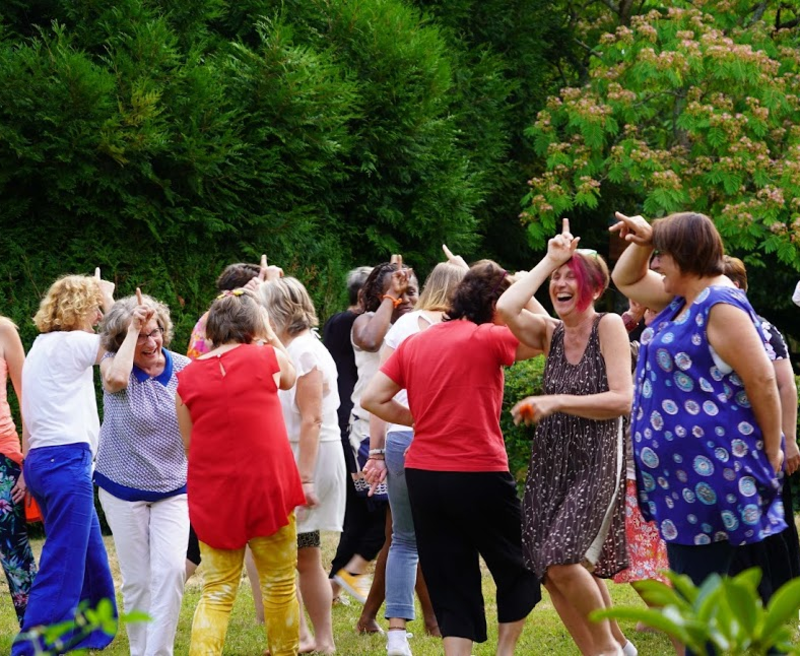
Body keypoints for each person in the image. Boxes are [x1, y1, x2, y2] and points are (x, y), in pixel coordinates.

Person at [609, 212, 785, 640]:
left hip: (712, 477)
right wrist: (649, 238)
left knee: (697, 598)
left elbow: (763, 380)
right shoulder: (681, 300)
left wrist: (773, 448)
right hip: (683, 481)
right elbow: (624, 278)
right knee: (699, 594)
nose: (655, 265)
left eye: (663, 255)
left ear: (685, 255)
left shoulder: (719, 307)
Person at [362, 260, 542, 656]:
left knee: (450, 576)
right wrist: (523, 288)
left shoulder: (415, 342)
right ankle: (504, 653)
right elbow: (549, 333)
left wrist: (419, 417)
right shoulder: (490, 337)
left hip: (424, 474)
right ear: (496, 303)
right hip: (478, 473)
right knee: (518, 566)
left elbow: (372, 398)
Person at [496, 220, 632, 656]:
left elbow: (622, 399)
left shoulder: (608, 324)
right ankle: (598, 652)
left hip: (595, 462)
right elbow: (506, 306)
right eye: (557, 278)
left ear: (592, 284)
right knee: (547, 569)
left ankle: (611, 648)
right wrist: (551, 259)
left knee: (562, 557)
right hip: (550, 465)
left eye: (570, 275)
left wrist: (556, 401)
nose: (560, 283)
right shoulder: (550, 333)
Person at [176, 290, 304, 656]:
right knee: (279, 584)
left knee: (216, 591)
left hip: (214, 493)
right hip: (269, 488)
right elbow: (291, 376)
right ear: (253, 325)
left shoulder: (187, 378)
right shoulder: (266, 357)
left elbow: (189, 443)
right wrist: (270, 333)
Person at [363, 257, 467, 656]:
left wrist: (375, 451)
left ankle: (396, 636)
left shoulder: (404, 326)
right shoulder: (467, 327)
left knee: (404, 539)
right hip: (451, 439)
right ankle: (451, 621)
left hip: (400, 437)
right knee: (452, 538)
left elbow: (377, 393)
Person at [13, 271, 117, 656]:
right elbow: (120, 339)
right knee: (62, 568)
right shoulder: (75, 342)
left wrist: (27, 464)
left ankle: (94, 633)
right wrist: (107, 298)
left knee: (89, 555)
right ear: (81, 308)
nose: (95, 315)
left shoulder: (42, 344)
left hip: (44, 461)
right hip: (64, 463)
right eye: (92, 308)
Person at [95, 290, 191, 656]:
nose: (151, 342)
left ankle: (157, 652)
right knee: (137, 582)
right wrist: (131, 329)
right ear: (121, 341)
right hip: (121, 487)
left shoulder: (183, 368)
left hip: (174, 486)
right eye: (141, 335)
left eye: (156, 332)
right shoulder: (112, 364)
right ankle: (141, 651)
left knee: (171, 572)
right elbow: (115, 381)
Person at [259, 276, 346, 654]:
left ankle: (314, 637)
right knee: (303, 552)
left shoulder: (306, 352)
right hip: (298, 455)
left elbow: (310, 418)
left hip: (305, 458)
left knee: (283, 552)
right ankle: (313, 639)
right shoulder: (297, 347)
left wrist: (304, 478)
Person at [330, 259, 417, 634]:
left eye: (412, 289)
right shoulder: (362, 323)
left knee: (389, 525)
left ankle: (345, 585)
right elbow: (369, 341)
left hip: (404, 431)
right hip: (367, 436)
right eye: (400, 290)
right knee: (384, 521)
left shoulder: (417, 323)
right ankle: (348, 582)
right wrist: (389, 300)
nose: (407, 297)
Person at [722, 256, 800, 603]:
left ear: (739, 286)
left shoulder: (764, 329)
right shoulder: (707, 326)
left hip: (762, 443)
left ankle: (780, 601)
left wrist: (789, 441)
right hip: (724, 447)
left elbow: (784, 386)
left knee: (771, 527)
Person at [0, 316, 37, 626]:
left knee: (15, 556)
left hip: (4, 456)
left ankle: (37, 632)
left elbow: (29, 399)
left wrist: (27, 463)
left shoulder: (4, 330)